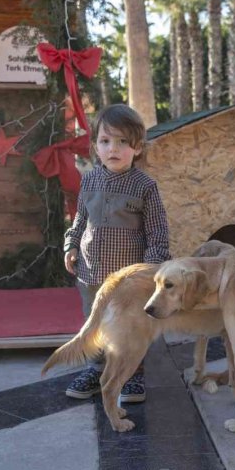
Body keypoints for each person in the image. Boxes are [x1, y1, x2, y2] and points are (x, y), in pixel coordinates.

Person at [63, 104, 170, 402]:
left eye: (123, 142)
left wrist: (151, 270)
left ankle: (133, 373)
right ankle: (97, 369)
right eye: (105, 141)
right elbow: (80, 220)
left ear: (138, 148)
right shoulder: (89, 180)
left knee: (129, 324)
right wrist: (71, 245)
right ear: (95, 146)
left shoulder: (145, 186)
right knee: (95, 321)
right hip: (90, 274)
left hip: (128, 280)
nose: (113, 148)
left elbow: (157, 232)